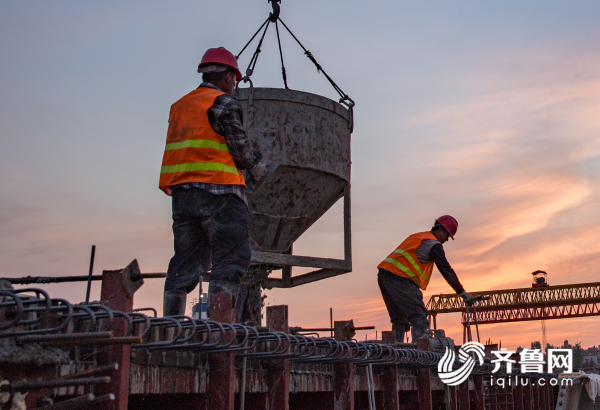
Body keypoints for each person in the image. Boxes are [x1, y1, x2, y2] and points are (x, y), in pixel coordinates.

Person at [159, 47, 266, 317]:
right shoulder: (224, 103)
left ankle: (171, 328)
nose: (235, 85)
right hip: (220, 194)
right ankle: (221, 332)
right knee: (229, 258)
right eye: (235, 79)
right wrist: (257, 165)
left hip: (183, 195)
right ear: (228, 75)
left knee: (184, 261)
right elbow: (240, 152)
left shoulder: (179, 105)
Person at [377, 215, 475, 342]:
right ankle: (420, 355)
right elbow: (446, 269)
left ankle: (396, 354)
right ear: (441, 230)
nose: (446, 240)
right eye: (447, 236)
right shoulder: (433, 245)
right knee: (419, 315)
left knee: (399, 319)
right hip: (399, 277)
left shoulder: (418, 236)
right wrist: (462, 292)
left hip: (384, 276)